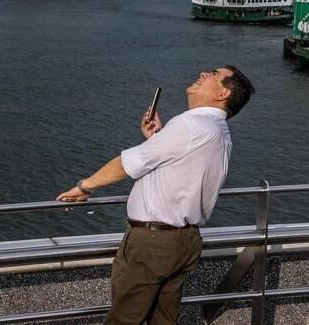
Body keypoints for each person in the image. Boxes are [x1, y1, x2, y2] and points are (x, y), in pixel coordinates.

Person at [56, 66, 255, 325]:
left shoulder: (190, 124)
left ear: (223, 93)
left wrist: (84, 187)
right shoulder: (219, 132)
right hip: (185, 240)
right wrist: (157, 139)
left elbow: (125, 164)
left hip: (153, 242)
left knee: (124, 318)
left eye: (213, 74)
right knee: (163, 319)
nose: (204, 74)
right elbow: (180, 169)